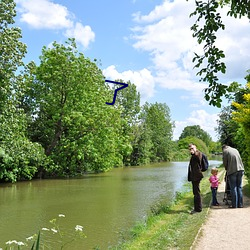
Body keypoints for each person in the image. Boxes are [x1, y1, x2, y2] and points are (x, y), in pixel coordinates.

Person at [188, 143, 204, 214]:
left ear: (195, 148)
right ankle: (197, 208)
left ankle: (198, 209)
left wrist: (194, 152)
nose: (191, 150)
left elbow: (198, 158)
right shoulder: (194, 155)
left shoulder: (198, 154)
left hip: (196, 176)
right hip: (195, 176)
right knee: (196, 192)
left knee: (196, 192)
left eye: (192, 148)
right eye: (190, 149)